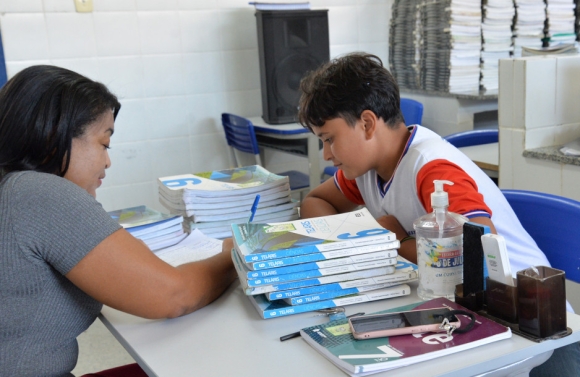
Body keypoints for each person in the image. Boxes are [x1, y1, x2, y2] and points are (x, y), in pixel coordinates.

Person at [296, 52, 579, 377]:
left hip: (526, 325)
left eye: (329, 139)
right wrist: (367, 236)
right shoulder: (366, 168)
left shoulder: (432, 169)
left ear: (367, 123)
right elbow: (315, 202)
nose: (327, 154)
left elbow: (479, 259)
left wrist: (394, 240)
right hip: (461, 310)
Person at [0, 65, 237, 377]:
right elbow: (174, 297)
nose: (107, 161)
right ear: (52, 135)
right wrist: (233, 254)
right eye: (104, 143)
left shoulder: (12, 187)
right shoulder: (37, 192)